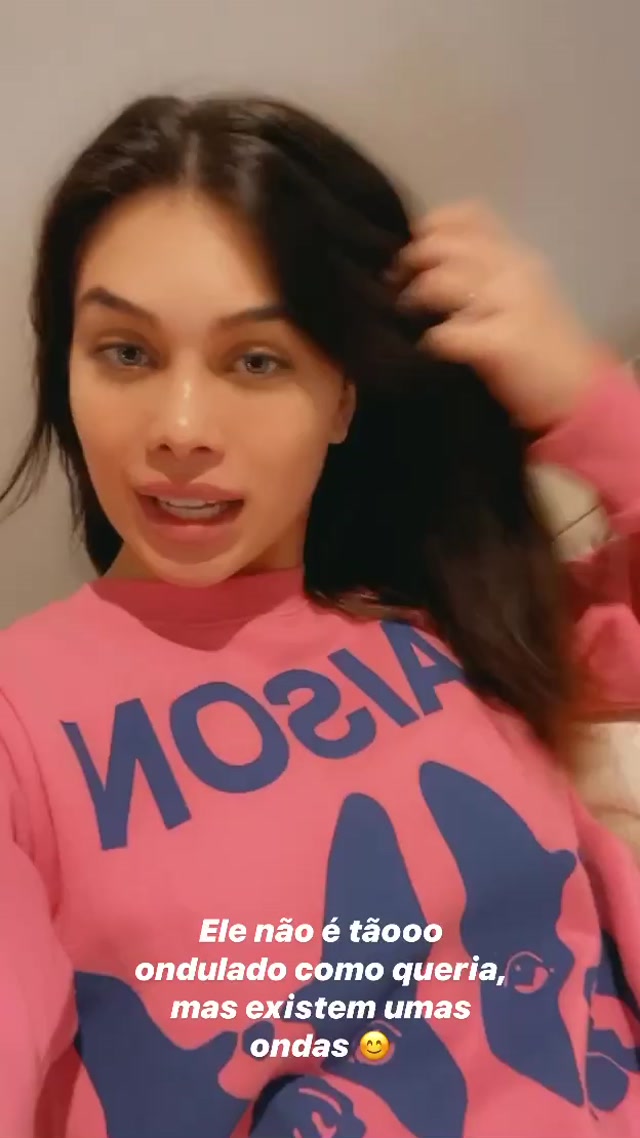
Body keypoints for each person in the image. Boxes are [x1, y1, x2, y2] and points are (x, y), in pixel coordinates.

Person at [0, 94, 639, 1138]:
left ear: (343, 396)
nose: (180, 428)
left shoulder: (451, 611)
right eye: (126, 352)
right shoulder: (19, 721)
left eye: (257, 360)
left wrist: (587, 397)